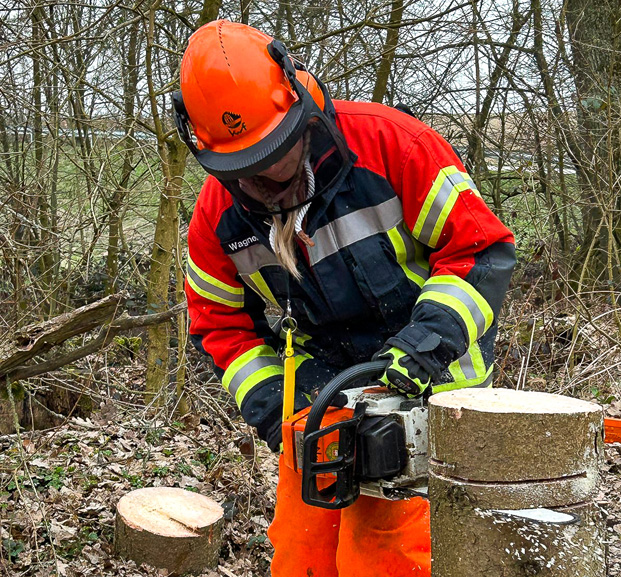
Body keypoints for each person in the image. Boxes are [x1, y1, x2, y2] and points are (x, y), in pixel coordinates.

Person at [177, 20, 515, 577]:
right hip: (318, 400)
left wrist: (426, 344)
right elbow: (220, 327)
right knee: (300, 555)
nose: (265, 175)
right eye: (245, 166)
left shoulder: (393, 146)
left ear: (302, 112)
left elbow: (480, 251)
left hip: (432, 385)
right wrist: (284, 406)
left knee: (391, 557)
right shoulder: (218, 218)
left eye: (273, 151)